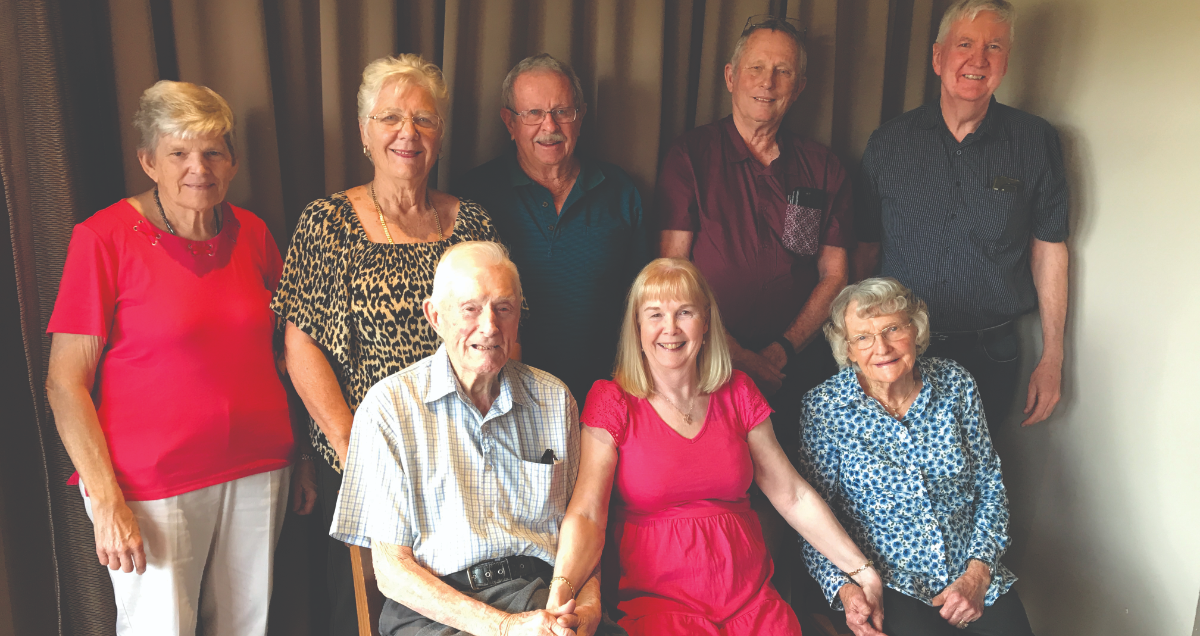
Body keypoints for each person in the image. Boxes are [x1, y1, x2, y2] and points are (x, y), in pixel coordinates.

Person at [44, 80, 315, 636]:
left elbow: (289, 355)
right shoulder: (103, 238)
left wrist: (304, 454)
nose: (200, 167)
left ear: (233, 161)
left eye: (213, 150)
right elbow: (63, 383)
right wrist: (108, 500)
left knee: (247, 628)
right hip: (149, 486)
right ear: (148, 161)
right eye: (179, 152)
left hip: (260, 468)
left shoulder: (255, 233)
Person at [273, 55, 499, 635]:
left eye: (424, 119)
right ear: (364, 132)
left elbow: (502, 339)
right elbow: (300, 347)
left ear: (441, 134)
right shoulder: (327, 223)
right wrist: (357, 452)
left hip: (463, 461)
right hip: (368, 463)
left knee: (464, 609)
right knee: (368, 614)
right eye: (391, 118)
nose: (408, 133)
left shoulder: (473, 222)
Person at [550, 258, 885, 636]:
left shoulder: (738, 391)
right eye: (655, 314)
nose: (671, 328)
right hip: (657, 606)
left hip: (752, 599)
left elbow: (792, 496)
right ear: (637, 327)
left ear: (706, 323)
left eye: (685, 312)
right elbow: (587, 514)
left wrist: (861, 570)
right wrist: (559, 593)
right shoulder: (612, 399)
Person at [330, 241, 606, 636]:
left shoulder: (554, 399)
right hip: (437, 612)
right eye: (470, 309)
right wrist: (505, 628)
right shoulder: (389, 407)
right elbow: (391, 571)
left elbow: (582, 532)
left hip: (541, 599)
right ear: (435, 316)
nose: (489, 326)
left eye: (503, 309)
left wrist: (589, 607)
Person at [853, 0, 1069, 428]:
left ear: (1006, 62)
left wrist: (1053, 357)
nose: (978, 59)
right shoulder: (888, 143)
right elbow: (864, 252)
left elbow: (1049, 252)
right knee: (893, 482)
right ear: (938, 57)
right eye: (964, 44)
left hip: (991, 352)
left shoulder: (1034, 141)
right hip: (896, 353)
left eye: (994, 47)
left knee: (975, 480)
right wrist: (856, 348)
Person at [798, 277, 1036, 636]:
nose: (881, 347)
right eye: (863, 337)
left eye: (892, 329)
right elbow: (812, 517)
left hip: (969, 570)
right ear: (848, 349)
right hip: (889, 584)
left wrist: (978, 574)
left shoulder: (956, 384)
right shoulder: (825, 408)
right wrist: (846, 590)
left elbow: (989, 484)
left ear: (916, 329)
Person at [460, 53, 649, 408]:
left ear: (580, 117)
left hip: (606, 400)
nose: (549, 126)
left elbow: (642, 301)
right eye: (532, 113)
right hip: (503, 401)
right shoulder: (474, 197)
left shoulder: (621, 191)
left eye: (562, 111)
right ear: (508, 122)